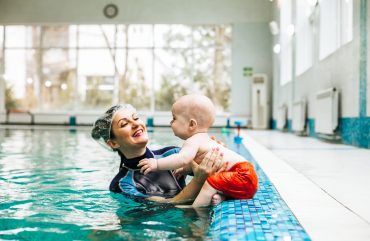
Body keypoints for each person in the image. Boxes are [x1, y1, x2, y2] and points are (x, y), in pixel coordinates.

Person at [138, 94, 258, 207]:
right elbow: (198, 161)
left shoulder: (193, 141)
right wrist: (185, 170)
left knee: (212, 181)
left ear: (192, 124)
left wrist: (156, 164)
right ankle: (223, 197)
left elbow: (182, 158)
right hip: (246, 177)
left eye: (174, 118)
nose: (171, 122)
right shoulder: (204, 140)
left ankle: (195, 207)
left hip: (242, 174)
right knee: (219, 180)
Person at [91, 104, 225, 204]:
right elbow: (168, 205)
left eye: (136, 118)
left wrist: (215, 154)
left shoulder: (173, 155)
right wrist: (198, 180)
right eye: (124, 124)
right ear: (113, 143)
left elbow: (218, 171)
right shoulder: (122, 184)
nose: (135, 124)